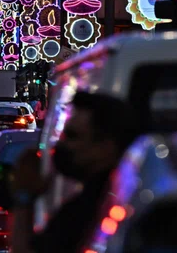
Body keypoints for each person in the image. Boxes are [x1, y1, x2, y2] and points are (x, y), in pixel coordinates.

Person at [10, 91, 138, 253]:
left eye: (72, 136)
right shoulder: (121, 193)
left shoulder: (89, 210)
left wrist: (23, 196)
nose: (60, 145)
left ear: (105, 147)